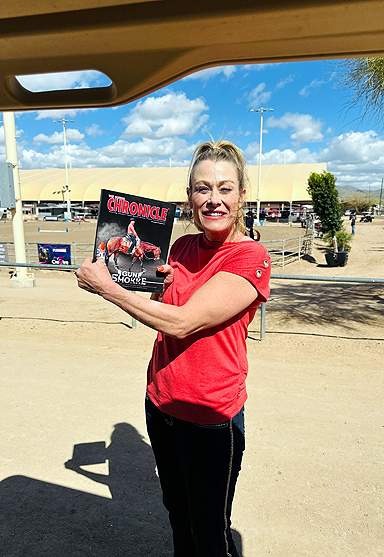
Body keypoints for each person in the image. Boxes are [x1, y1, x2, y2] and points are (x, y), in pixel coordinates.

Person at [75, 140, 271, 557]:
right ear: (189, 197)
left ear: (241, 196)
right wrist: (154, 285)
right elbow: (167, 305)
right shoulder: (181, 246)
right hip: (161, 402)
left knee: (210, 528)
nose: (214, 199)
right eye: (203, 189)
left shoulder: (250, 257)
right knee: (178, 512)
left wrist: (108, 289)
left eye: (225, 188)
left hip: (210, 414)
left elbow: (183, 322)